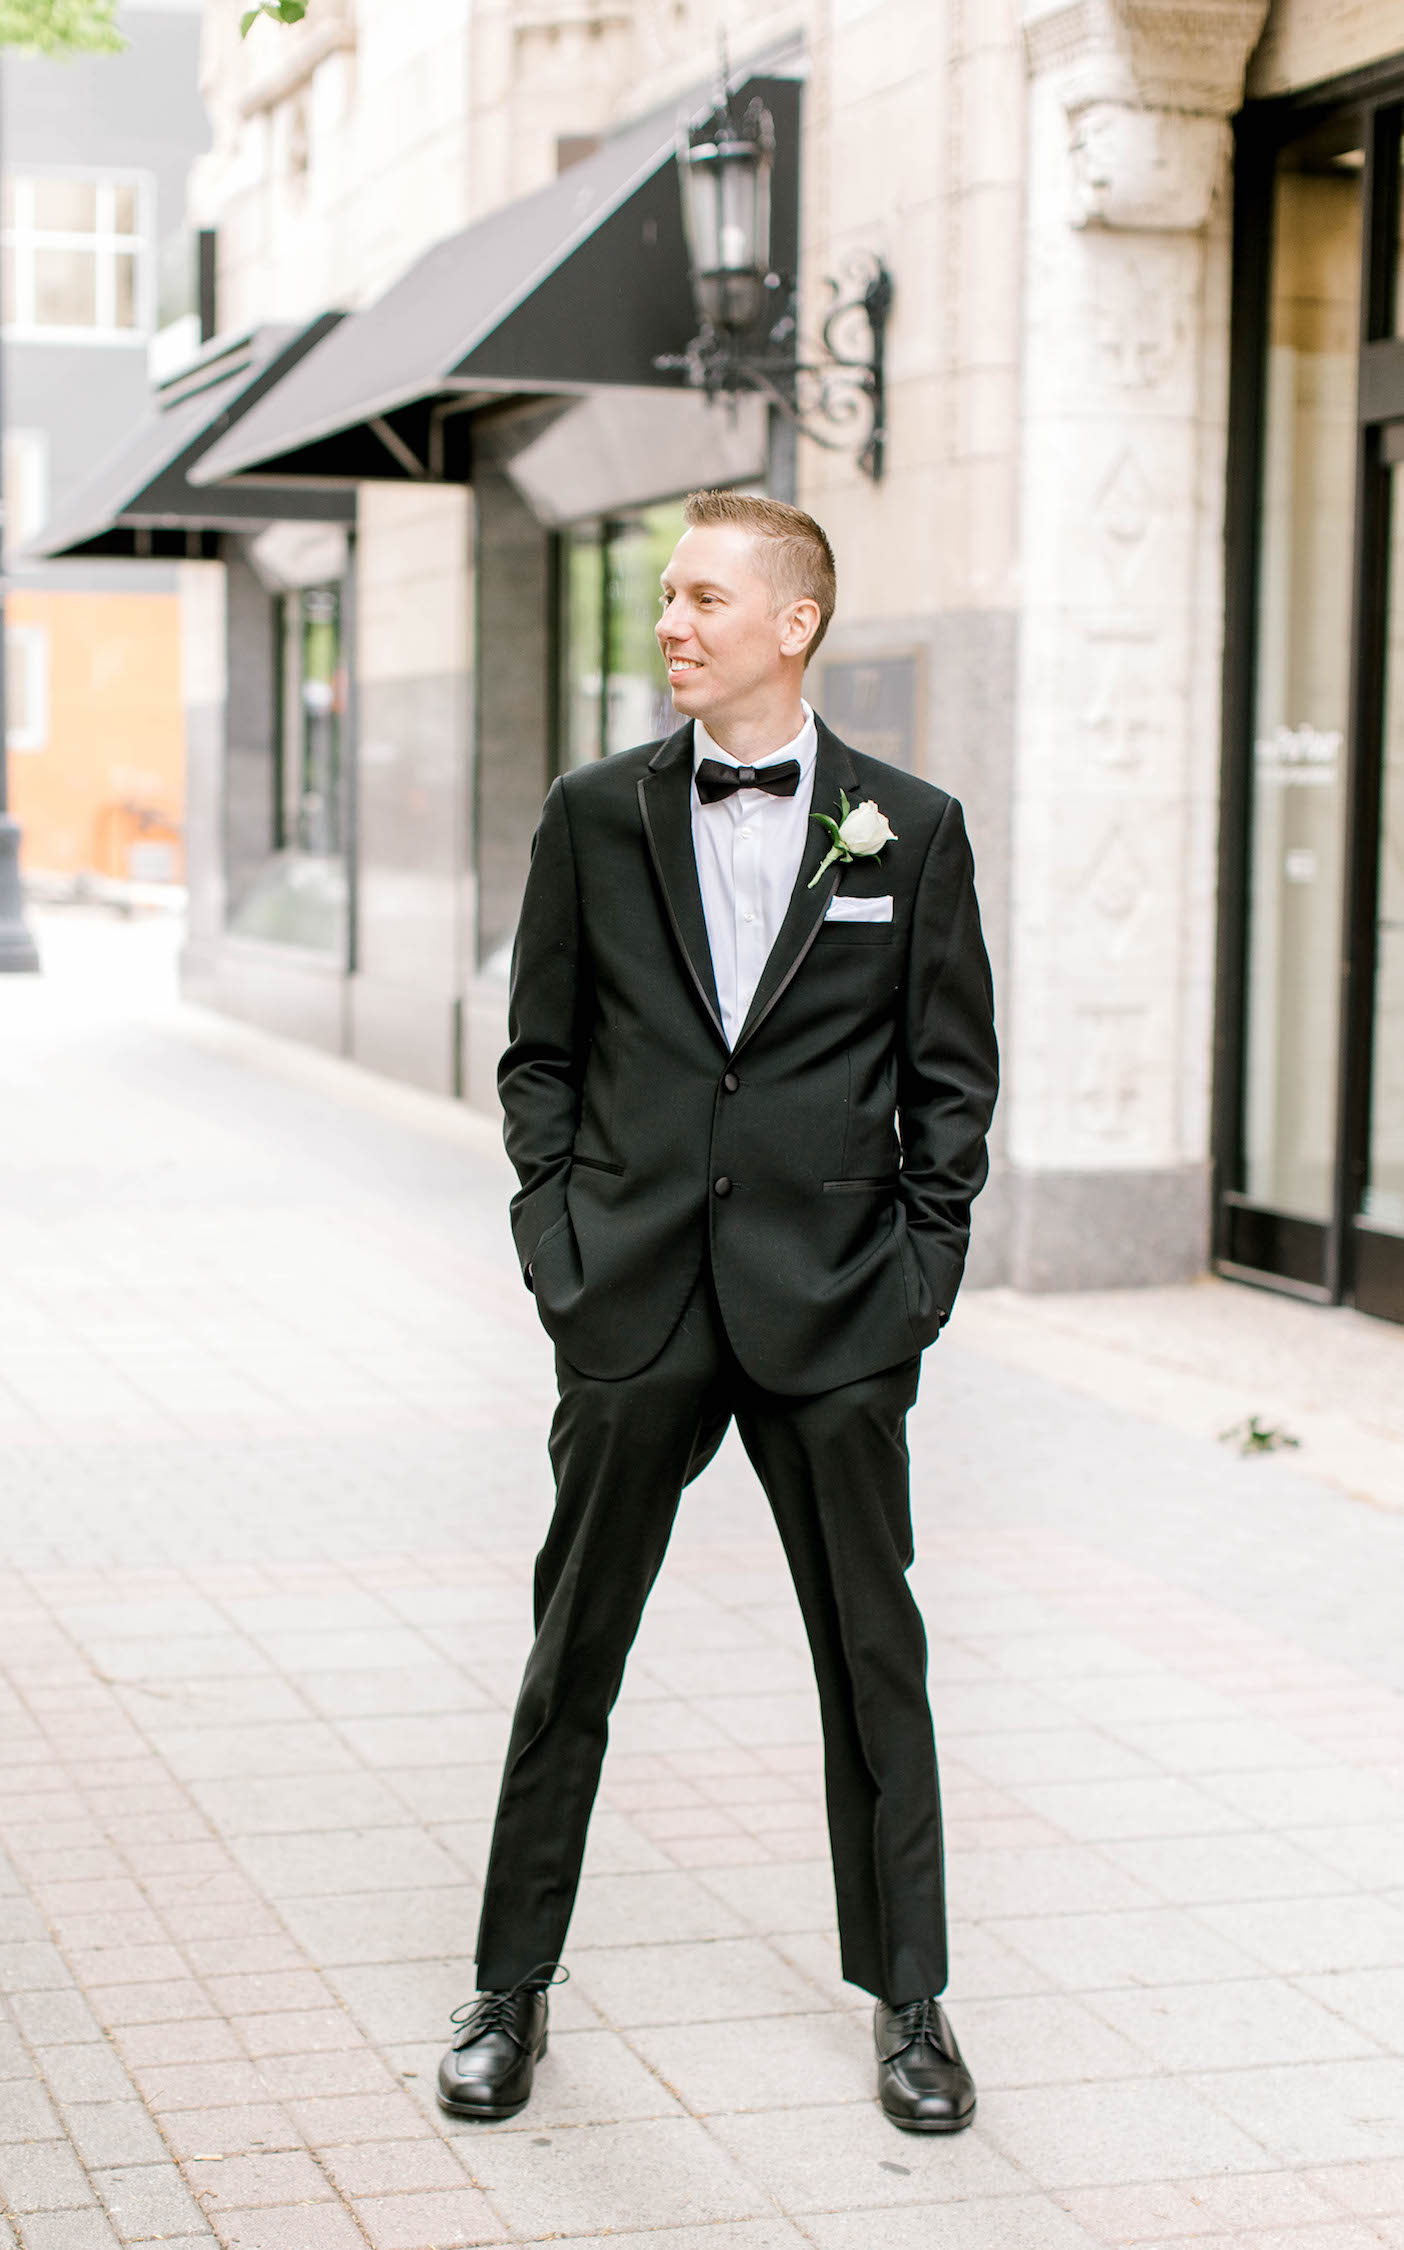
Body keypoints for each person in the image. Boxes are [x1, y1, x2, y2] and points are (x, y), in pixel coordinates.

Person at [437, 489, 998, 2134]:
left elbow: (949, 1085)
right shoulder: (595, 813)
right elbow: (539, 1054)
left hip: (836, 1315)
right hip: (634, 1308)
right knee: (572, 1654)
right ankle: (508, 1985)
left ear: (792, 621)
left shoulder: (915, 824)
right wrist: (562, 1252)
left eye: (699, 598)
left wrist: (917, 1284)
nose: (670, 623)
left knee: (873, 1660)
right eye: (668, 598)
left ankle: (912, 2002)